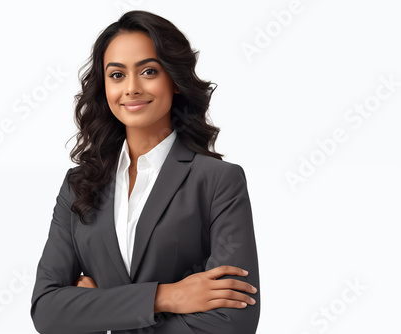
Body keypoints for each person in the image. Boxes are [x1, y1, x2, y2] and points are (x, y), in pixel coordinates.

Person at [30, 10, 260, 334]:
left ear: (175, 81)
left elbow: (233, 321)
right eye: (117, 75)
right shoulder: (78, 185)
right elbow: (48, 311)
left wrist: (100, 309)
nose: (132, 88)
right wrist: (165, 297)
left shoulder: (218, 181)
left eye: (148, 71)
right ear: (104, 86)